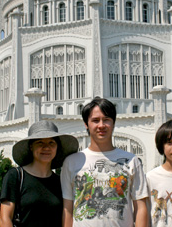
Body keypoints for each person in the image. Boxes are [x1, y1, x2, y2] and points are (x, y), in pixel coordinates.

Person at [61, 97, 149, 227]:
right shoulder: (72, 162)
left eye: (106, 120)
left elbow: (141, 207)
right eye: (95, 120)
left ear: (113, 123)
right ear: (86, 124)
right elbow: (67, 209)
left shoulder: (131, 160)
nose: (101, 125)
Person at [0, 120, 78, 227]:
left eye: (51, 143)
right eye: (40, 142)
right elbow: (5, 219)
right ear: (31, 147)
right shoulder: (16, 176)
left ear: (57, 147)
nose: (46, 148)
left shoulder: (60, 182)